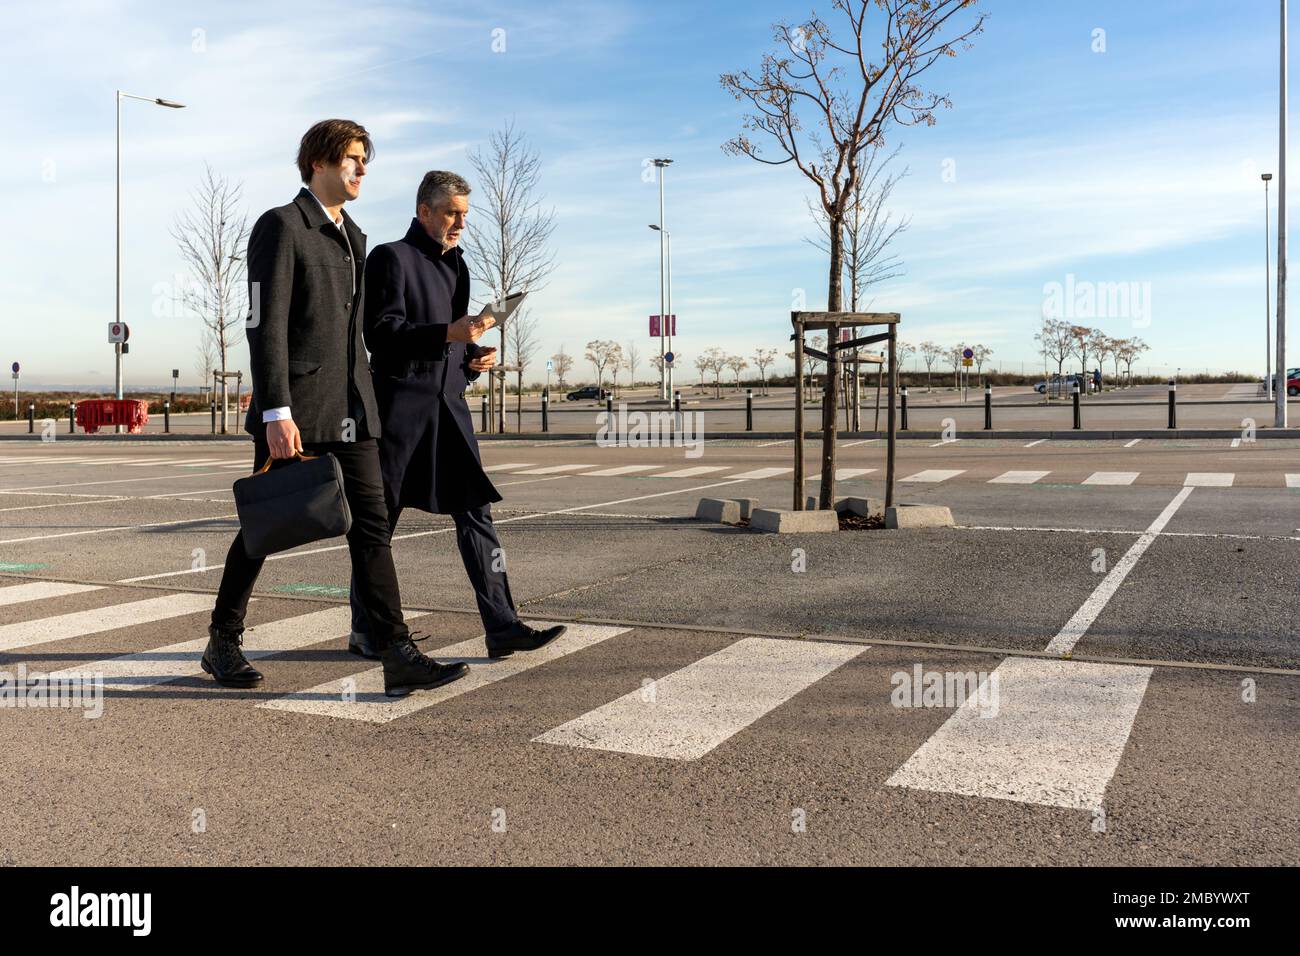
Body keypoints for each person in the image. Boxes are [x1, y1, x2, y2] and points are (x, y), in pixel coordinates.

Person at [203, 119, 470, 698]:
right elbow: (263, 324)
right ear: (319, 162)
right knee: (266, 527)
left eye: (363, 159)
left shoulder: (355, 238)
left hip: (356, 409)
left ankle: (396, 652)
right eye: (352, 158)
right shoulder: (281, 227)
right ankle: (223, 639)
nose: (362, 169)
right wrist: (275, 410)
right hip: (297, 410)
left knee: (372, 528)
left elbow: (359, 335)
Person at [346, 170, 565, 661]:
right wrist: (449, 334)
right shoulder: (389, 258)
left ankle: (503, 625)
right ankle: (366, 629)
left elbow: (449, 339)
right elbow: (381, 334)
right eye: (451, 212)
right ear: (424, 211)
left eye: (465, 214)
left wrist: (472, 359)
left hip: (449, 409)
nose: (460, 222)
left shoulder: (457, 266)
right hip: (399, 412)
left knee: (476, 514)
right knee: (379, 523)